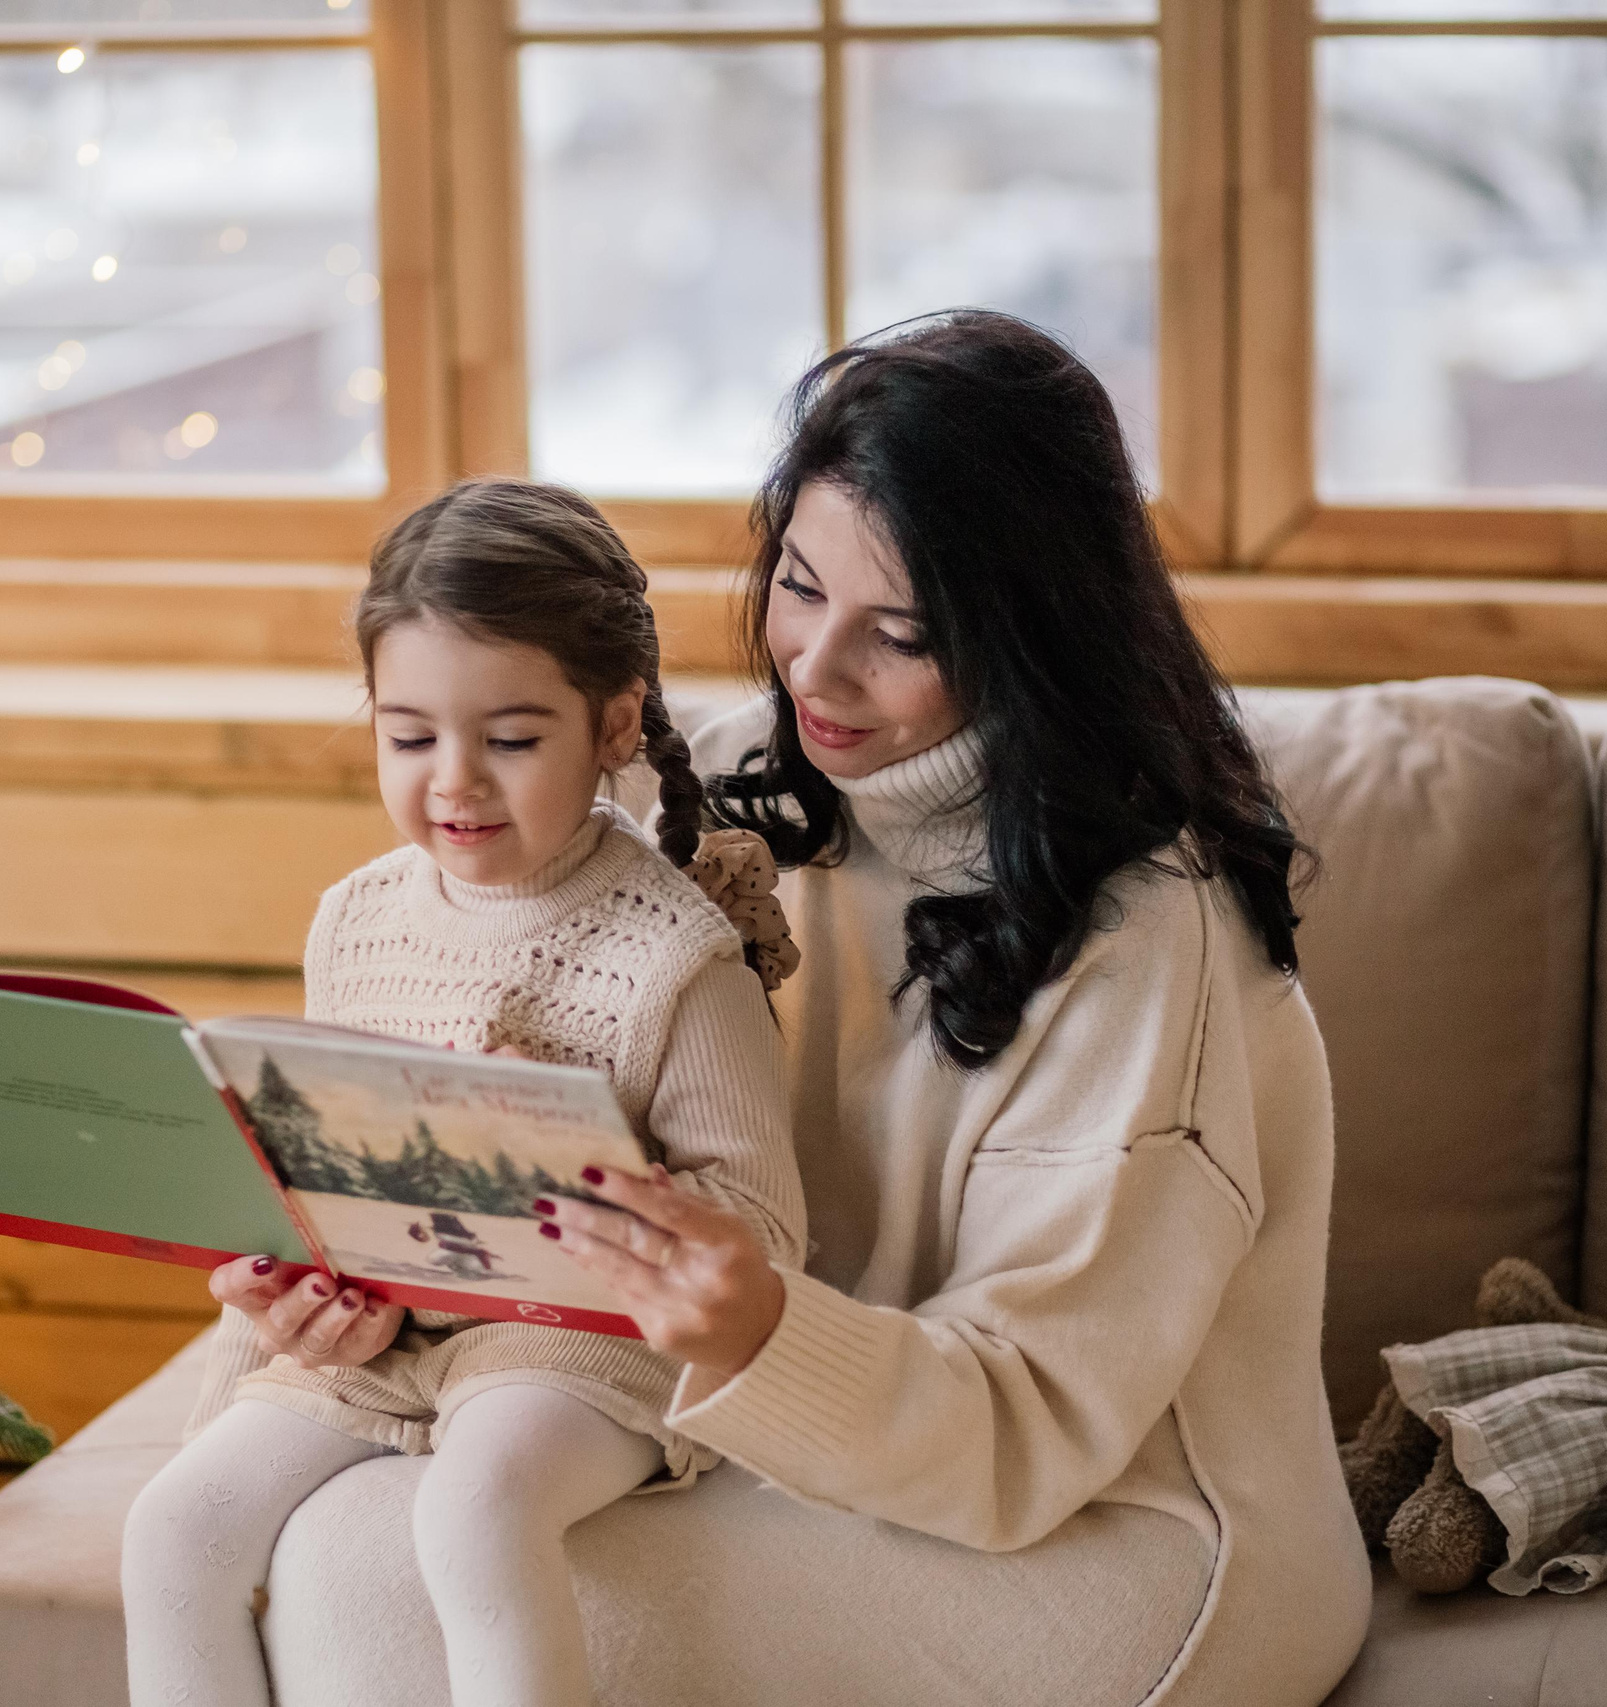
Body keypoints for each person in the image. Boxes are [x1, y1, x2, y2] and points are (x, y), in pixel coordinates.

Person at [524, 312, 1373, 1705]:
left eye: (902, 632)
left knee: (392, 1584)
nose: (813, 669)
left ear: (1033, 636)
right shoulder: (735, 788)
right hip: (808, 1452)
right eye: (798, 584)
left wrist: (755, 1330)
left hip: (1123, 1536)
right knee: (328, 1522)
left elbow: (1026, 1426)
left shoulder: (1152, 926)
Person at [120, 479, 808, 1707]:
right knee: (175, 1530)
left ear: (611, 726)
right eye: (410, 736)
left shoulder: (674, 952)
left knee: (477, 1507)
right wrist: (280, 1307)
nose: (456, 783)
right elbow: (319, 1174)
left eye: (510, 738)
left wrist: (583, 1179)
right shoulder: (358, 922)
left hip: (581, 1347)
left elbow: (763, 1229)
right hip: (386, 1336)